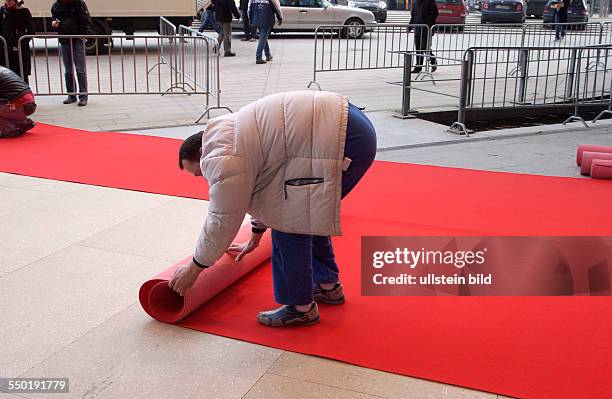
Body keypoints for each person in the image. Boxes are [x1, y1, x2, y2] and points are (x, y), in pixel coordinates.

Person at [170, 91, 377, 328]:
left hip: (342, 137)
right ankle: (327, 286)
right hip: (348, 125)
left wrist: (195, 268)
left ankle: (301, 308)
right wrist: (256, 235)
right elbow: (267, 186)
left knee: (291, 222)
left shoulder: (221, 156)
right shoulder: (228, 133)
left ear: (201, 154)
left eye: (198, 172)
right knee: (309, 210)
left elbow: (222, 218)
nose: (202, 177)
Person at [51, 0, 91, 106]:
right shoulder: (56, 5)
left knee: (80, 69)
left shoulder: (79, 3)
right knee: (68, 70)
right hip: (64, 39)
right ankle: (71, 94)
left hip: (77, 39)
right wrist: (54, 23)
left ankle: (83, 96)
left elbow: (86, 20)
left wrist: (81, 34)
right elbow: (54, 19)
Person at [0, 0, 34, 83]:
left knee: (21, 73)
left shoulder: (23, 11)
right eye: (6, 0)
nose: (8, 2)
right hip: (4, 47)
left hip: (19, 47)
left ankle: (24, 93)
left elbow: (31, 30)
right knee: (6, 73)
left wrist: (23, 42)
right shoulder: (2, 10)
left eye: (10, 0)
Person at [0, 65, 35, 138]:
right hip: (29, 102)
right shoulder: (2, 68)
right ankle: (22, 122)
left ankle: (8, 129)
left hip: (18, 104)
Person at [249, 0, 282, 64]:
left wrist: (251, 19)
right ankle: (258, 57)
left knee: (263, 36)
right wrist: (280, 17)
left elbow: (250, 9)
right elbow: (276, 7)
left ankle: (268, 55)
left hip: (256, 20)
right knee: (263, 37)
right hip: (267, 19)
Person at [410, 0, 438, 74]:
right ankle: (418, 67)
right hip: (417, 29)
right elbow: (413, 15)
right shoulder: (415, 2)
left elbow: (434, 13)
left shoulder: (430, 1)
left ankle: (433, 61)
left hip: (426, 29)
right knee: (418, 49)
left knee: (425, 47)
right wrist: (410, 26)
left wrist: (426, 23)